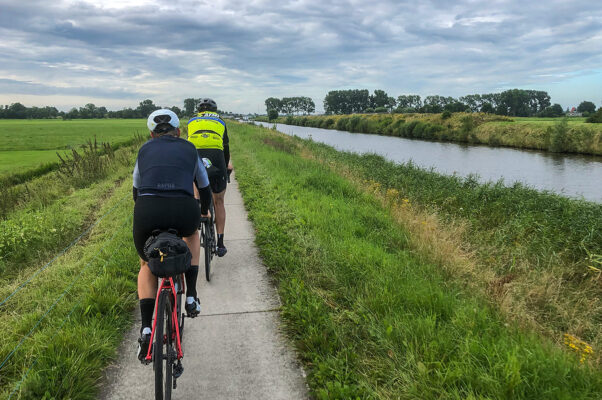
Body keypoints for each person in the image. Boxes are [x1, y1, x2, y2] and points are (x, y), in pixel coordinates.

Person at [133, 109, 212, 362]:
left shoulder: (144, 150)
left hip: (147, 210)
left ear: (151, 134)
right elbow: (204, 186)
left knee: (146, 262)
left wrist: (144, 211)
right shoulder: (189, 149)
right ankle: (191, 296)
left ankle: (146, 329)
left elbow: (136, 189)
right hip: (183, 208)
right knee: (191, 237)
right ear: (179, 132)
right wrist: (203, 211)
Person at [187, 98, 232, 257]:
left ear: (199, 111)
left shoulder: (191, 121)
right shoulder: (220, 122)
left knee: (195, 182)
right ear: (215, 110)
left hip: (196, 157)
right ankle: (220, 243)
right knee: (219, 201)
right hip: (217, 158)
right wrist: (226, 167)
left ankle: (198, 207)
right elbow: (225, 148)